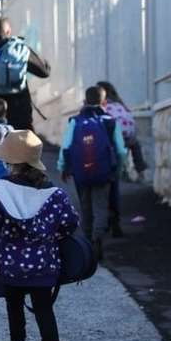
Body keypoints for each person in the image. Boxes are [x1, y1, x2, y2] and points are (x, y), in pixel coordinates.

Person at [0, 130, 79, 341]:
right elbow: (70, 222)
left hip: (10, 263)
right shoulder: (53, 193)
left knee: (14, 305)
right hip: (44, 263)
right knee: (44, 309)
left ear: (10, 162)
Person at [57, 86, 126, 260]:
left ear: (84, 102)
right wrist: (118, 169)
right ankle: (97, 240)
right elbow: (120, 151)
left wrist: (63, 167)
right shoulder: (110, 121)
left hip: (81, 172)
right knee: (101, 207)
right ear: (104, 102)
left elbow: (66, 146)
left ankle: (87, 243)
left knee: (85, 207)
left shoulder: (75, 121)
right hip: (104, 173)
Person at [97, 80, 147, 237]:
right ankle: (115, 221)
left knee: (100, 189)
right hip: (121, 149)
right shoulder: (121, 106)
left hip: (102, 151)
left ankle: (102, 222)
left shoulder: (100, 106)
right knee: (114, 186)